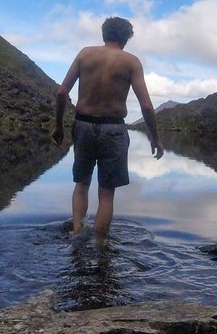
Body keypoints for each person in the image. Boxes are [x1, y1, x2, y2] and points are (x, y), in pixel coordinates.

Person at [52, 16, 164, 242]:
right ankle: (101, 246)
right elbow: (146, 105)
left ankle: (77, 235)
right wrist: (155, 138)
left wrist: (58, 127)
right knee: (106, 194)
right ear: (127, 38)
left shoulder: (85, 54)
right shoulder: (131, 62)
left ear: (104, 34)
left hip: (82, 126)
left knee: (81, 185)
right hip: (113, 130)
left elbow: (62, 92)